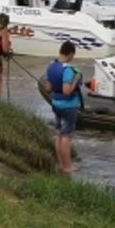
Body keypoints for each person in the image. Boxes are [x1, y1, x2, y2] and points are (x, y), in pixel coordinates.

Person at [45, 40, 83, 176]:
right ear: (70, 53)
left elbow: (48, 88)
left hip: (56, 104)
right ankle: (67, 168)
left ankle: (60, 164)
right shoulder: (68, 70)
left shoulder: (51, 66)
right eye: (73, 55)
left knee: (58, 134)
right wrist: (76, 80)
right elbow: (67, 91)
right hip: (68, 107)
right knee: (66, 137)